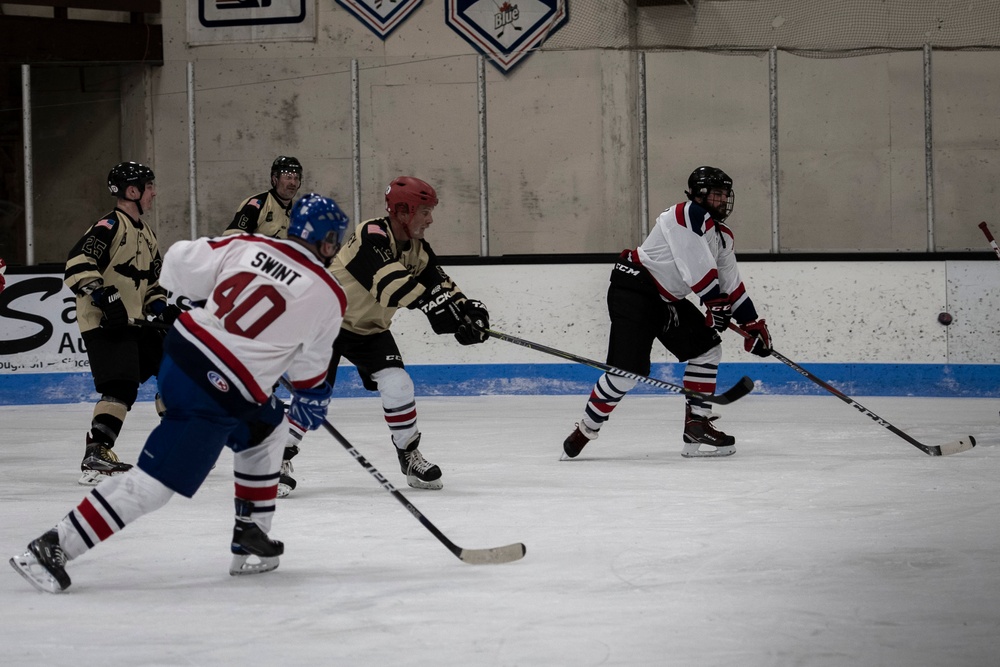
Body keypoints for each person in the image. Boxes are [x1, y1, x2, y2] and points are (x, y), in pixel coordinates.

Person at [9, 193, 349, 593]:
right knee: (153, 485)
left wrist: (188, 297)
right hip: (212, 388)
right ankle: (52, 546)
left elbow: (178, 260)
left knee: (268, 426)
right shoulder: (329, 292)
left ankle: (251, 532)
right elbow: (309, 373)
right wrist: (312, 399)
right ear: (327, 242)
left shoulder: (248, 244)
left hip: (182, 353)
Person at [561, 166, 772, 460]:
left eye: (725, 194)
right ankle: (586, 428)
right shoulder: (684, 215)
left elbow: (731, 282)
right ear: (699, 195)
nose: (723, 200)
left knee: (707, 350)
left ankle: (696, 426)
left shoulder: (722, 236)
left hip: (667, 300)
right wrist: (714, 302)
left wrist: (751, 323)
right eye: (716, 194)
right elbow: (695, 264)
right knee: (626, 374)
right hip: (635, 290)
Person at [317, 175, 489, 491]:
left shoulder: (418, 250)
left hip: (369, 330)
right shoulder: (369, 234)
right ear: (403, 210)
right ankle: (282, 457)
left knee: (398, 384)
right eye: (424, 211)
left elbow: (441, 284)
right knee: (312, 397)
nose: (430, 219)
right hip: (325, 323)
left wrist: (469, 313)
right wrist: (432, 305)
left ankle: (408, 456)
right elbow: (388, 284)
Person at [64, 161, 181, 486]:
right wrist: (102, 296)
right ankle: (97, 453)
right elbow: (77, 264)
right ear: (133, 191)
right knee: (120, 386)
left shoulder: (146, 233)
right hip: (105, 323)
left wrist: (163, 309)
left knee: (175, 371)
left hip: (135, 322)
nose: (154, 192)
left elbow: (152, 285)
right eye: (150, 186)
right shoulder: (108, 226)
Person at [221, 155, 306, 496]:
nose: (291, 180)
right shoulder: (256, 205)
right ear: (273, 178)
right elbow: (232, 241)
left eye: (295, 175)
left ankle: (275, 455)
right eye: (285, 174)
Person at [223, 156, 303, 238]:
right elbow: (232, 239)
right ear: (275, 179)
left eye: (296, 178)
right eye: (288, 177)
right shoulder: (256, 204)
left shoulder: (300, 210)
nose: (293, 183)